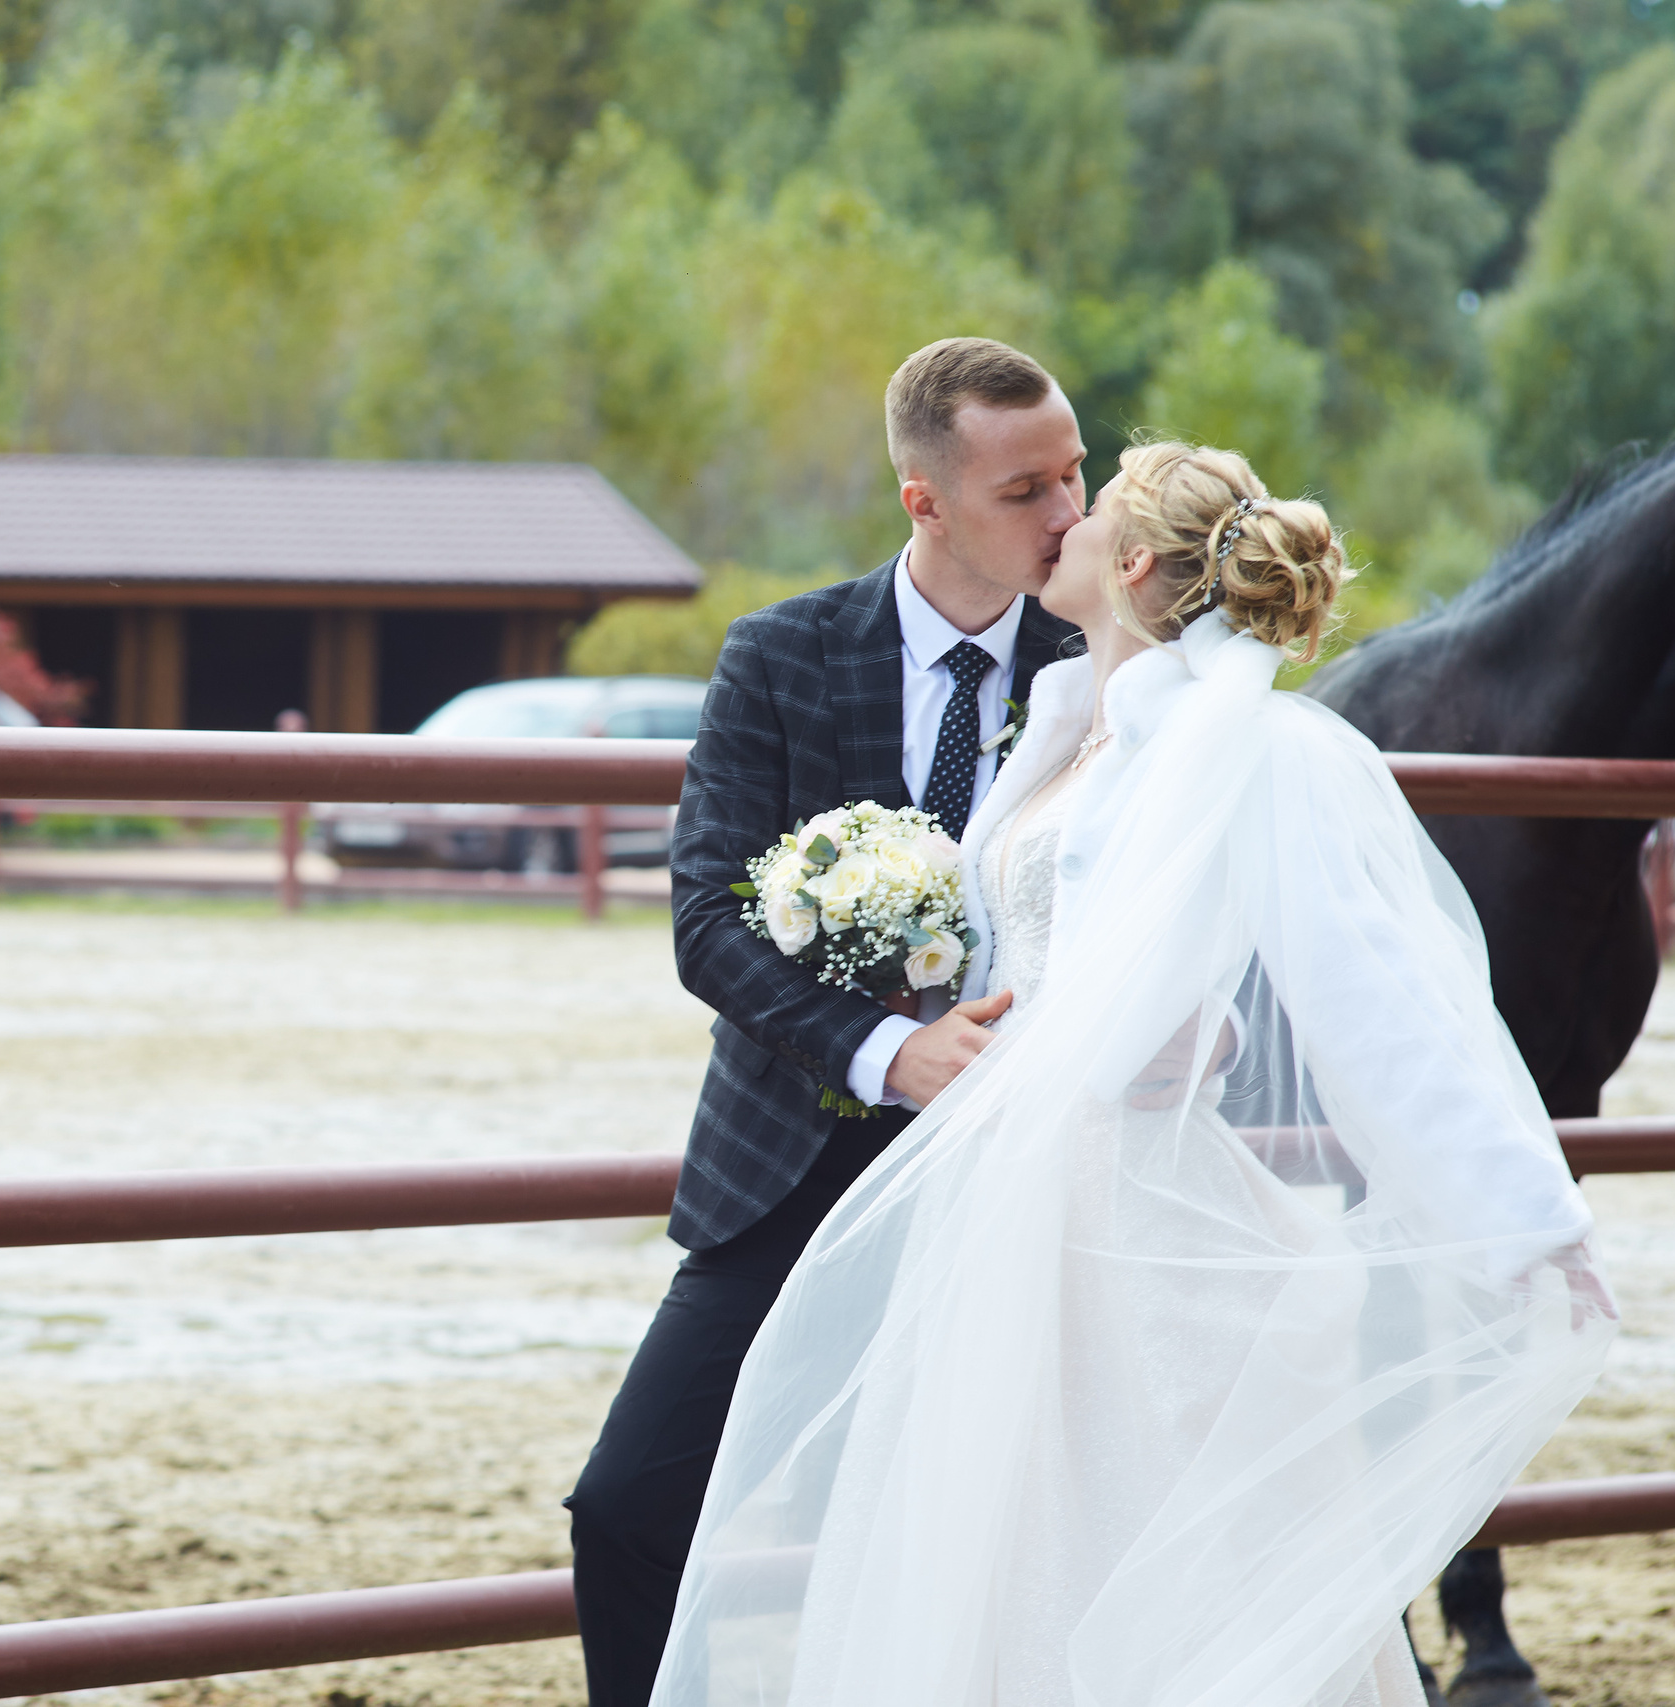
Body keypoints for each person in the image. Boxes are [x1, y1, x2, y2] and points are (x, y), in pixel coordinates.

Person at [648, 441, 1617, 1707]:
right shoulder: (1066, 729)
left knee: (1152, 1554)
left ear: (1134, 561)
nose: (1063, 519)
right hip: (1003, 1205)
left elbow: (1373, 999)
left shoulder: (1253, 749)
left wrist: (1528, 1221)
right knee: (994, 1550)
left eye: (1090, 506)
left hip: (1137, 1208)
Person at [566, 336, 1084, 1706]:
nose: (1070, 515)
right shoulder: (782, 654)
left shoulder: (1102, 667)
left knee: (1010, 1537)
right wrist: (885, 1049)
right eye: (1027, 488)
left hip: (1017, 1172)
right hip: (790, 1154)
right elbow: (705, 918)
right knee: (626, 1509)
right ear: (925, 497)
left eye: (1076, 474)